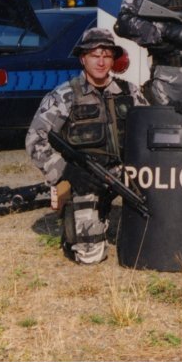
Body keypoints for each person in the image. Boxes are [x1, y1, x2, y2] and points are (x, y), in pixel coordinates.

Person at [26, 28, 147, 264]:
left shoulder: (130, 91)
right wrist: (67, 172)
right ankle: (77, 220)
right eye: (94, 55)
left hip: (127, 171)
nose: (101, 62)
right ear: (83, 58)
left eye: (107, 55)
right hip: (87, 177)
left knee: (152, 232)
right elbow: (34, 140)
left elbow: (150, 130)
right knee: (91, 257)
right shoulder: (64, 96)